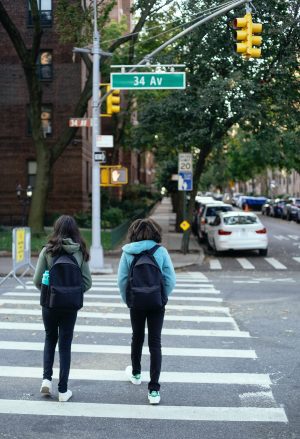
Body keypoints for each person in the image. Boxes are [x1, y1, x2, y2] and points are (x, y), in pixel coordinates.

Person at [33, 215, 92, 402]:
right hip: (70, 307)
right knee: (65, 345)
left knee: (50, 338)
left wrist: (51, 291)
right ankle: (63, 390)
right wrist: (72, 292)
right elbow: (87, 283)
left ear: (56, 229)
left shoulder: (47, 251)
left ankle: (46, 380)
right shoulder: (80, 251)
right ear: (75, 231)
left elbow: (37, 281)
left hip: (49, 304)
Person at [117, 218, 176, 405]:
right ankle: (154, 390)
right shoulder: (161, 252)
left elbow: (122, 280)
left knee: (137, 337)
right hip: (156, 302)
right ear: (155, 233)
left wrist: (129, 301)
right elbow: (170, 279)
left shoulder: (128, 252)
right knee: (155, 342)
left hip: (136, 302)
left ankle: (135, 373)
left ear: (133, 233)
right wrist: (162, 297)